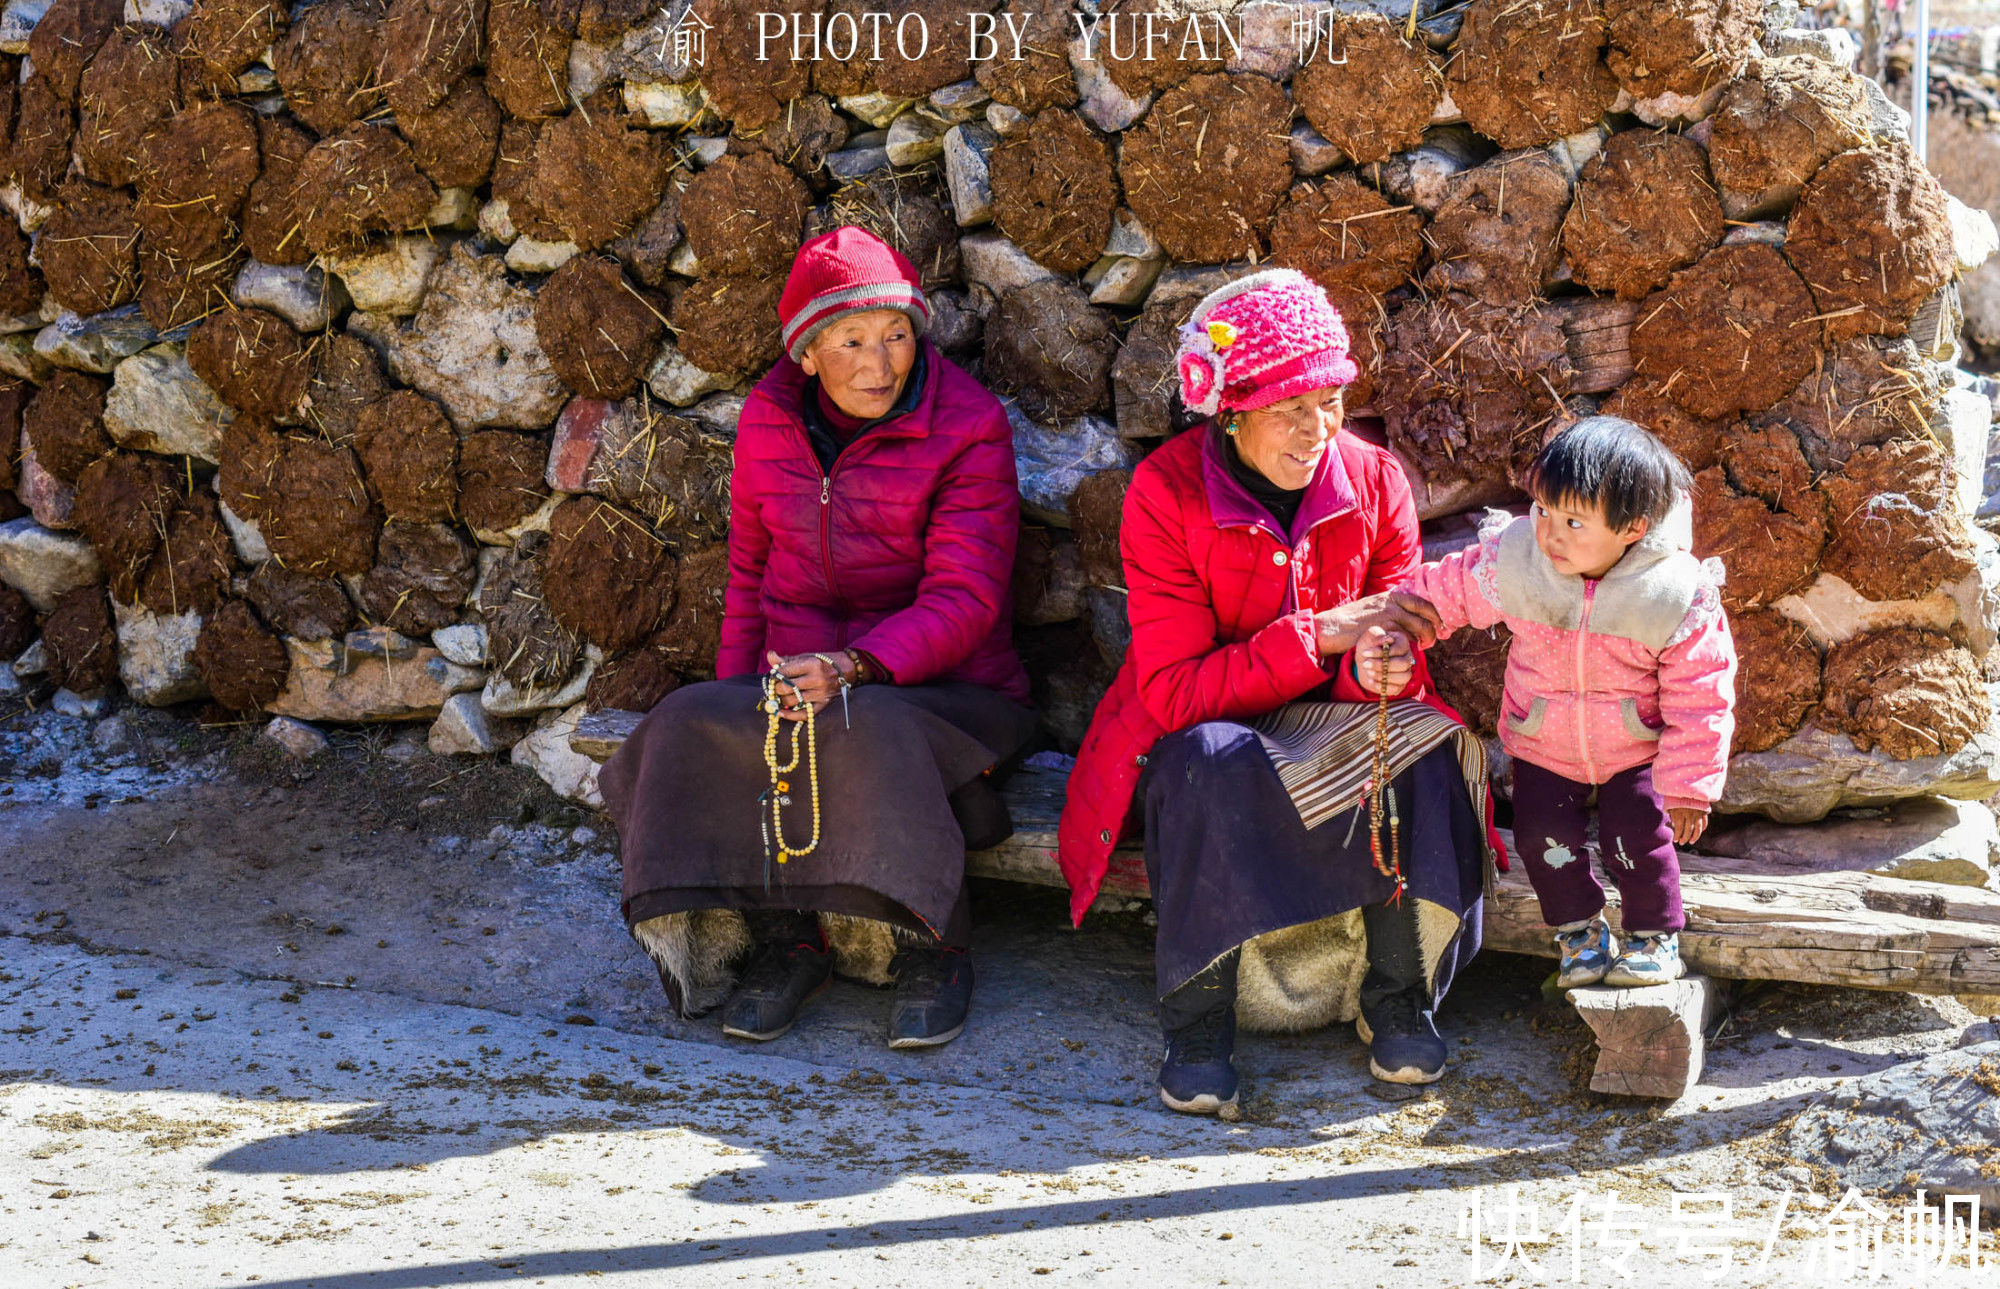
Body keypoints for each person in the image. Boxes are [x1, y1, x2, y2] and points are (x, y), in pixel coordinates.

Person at [1058, 269, 1504, 1117]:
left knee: (1431, 746)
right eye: (1289, 407)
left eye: (1330, 400)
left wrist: (1381, 660)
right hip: (1211, 721)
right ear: (1228, 409)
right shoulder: (1165, 492)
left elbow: (1395, 630)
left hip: (1333, 716)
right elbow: (1177, 691)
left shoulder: (1375, 481)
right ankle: (1197, 1023)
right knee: (1201, 760)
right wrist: (1328, 632)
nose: (1318, 428)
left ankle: (1398, 996)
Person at [600, 226, 1035, 1050]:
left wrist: (854, 665)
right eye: (854, 341)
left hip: (945, 691)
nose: (883, 363)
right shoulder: (769, 423)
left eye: (898, 334)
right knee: (692, 721)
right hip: (801, 679)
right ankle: (783, 939)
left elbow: (967, 598)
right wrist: (737, 708)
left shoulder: (968, 426)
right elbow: (749, 579)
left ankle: (931, 944)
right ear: (807, 355)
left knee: (865, 725)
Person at [1398, 416, 1736, 989]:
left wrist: (1688, 786)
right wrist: (1402, 617)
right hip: (1542, 741)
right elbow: (1447, 590)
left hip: (1636, 750)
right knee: (1540, 839)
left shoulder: (1673, 593)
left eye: (1574, 521)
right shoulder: (1519, 562)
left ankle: (1654, 936)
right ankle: (1579, 931)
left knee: (1638, 840)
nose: (1551, 534)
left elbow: (1703, 693)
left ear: (1633, 527)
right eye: (1544, 511)